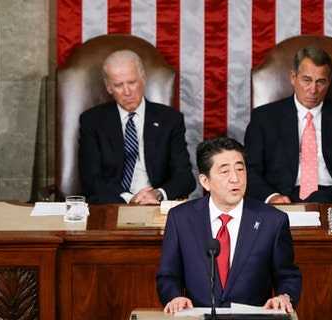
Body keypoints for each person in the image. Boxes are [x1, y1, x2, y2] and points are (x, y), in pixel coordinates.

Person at [157, 136, 302, 314]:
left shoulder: (272, 221)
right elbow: (168, 276)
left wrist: (284, 296)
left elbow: (288, 276)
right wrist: (174, 297)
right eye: (225, 172)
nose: (235, 178)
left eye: (240, 169)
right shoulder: (181, 218)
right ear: (205, 181)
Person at [244, 46, 332, 205]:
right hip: (286, 198)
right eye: (307, 80)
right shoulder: (264, 118)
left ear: (329, 81)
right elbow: (251, 171)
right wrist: (271, 197)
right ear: (293, 77)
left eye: (320, 82)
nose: (313, 90)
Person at [78, 50, 196, 204]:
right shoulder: (92, 121)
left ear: (143, 79)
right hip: (112, 204)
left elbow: (185, 177)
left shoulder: (170, 119)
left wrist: (158, 194)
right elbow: (91, 179)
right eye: (118, 85)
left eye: (132, 83)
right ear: (108, 87)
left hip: (155, 205)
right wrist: (129, 198)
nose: (127, 92)